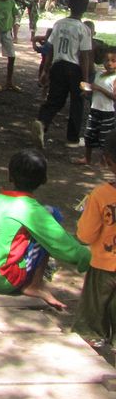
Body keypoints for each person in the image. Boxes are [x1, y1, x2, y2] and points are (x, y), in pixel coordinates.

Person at [0, 149, 90, 311]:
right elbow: (63, 246)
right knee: (53, 216)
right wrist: (92, 258)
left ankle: (31, 280)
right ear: (44, 179)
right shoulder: (32, 211)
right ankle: (35, 285)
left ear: (10, 176)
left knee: (43, 218)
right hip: (3, 279)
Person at [30, 0, 92, 149]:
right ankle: (72, 138)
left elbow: (49, 49)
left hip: (58, 66)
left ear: (68, 5)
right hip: (75, 68)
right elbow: (84, 57)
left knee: (55, 99)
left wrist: (46, 69)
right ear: (85, 8)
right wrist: (85, 80)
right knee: (77, 102)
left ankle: (42, 122)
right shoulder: (84, 29)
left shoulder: (59, 24)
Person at [72, 132, 116, 347]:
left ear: (107, 160)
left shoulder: (100, 195)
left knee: (91, 321)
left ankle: (92, 343)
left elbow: (85, 235)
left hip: (103, 266)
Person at [74, 48, 116, 166]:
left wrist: (99, 89)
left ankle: (104, 160)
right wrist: (88, 91)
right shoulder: (99, 74)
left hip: (107, 112)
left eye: (113, 61)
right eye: (107, 60)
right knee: (89, 134)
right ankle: (87, 158)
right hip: (94, 109)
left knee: (104, 138)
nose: (109, 63)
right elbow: (94, 90)